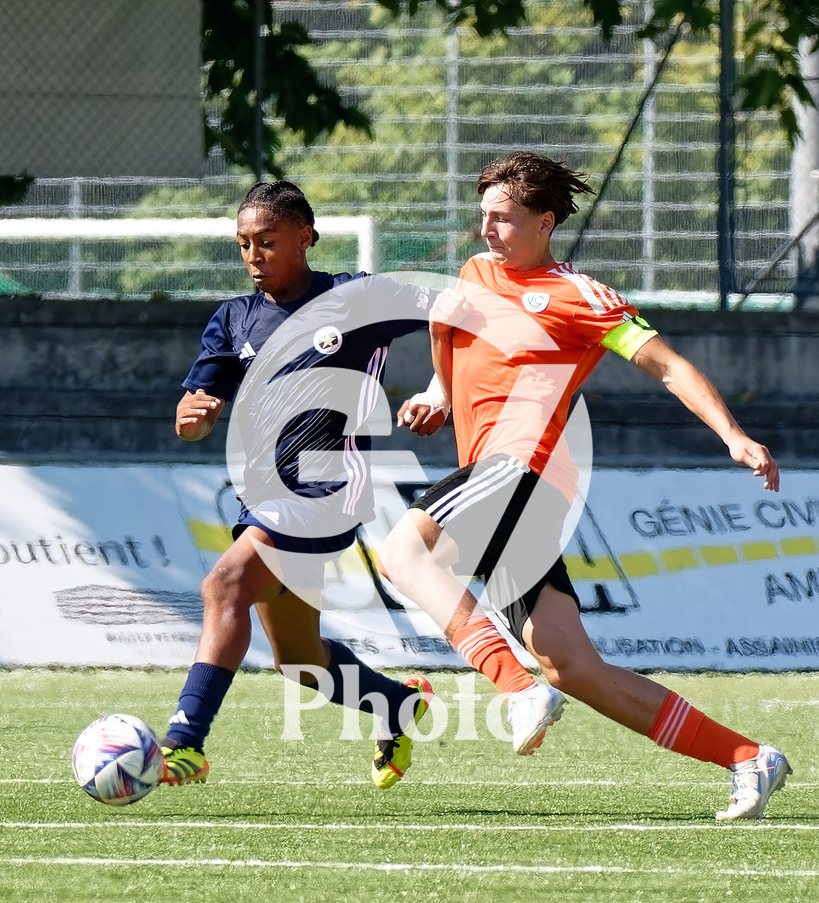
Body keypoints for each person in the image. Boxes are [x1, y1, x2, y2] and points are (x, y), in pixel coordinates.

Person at [379, 150, 792, 820]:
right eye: (483, 216)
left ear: (544, 222)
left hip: (519, 472)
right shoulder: (475, 272)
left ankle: (512, 686)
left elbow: (667, 366)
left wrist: (732, 435)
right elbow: (446, 329)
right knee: (571, 667)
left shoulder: (580, 297)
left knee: (403, 553)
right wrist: (438, 392)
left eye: (504, 219)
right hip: (496, 489)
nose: (488, 230)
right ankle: (748, 757)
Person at [160, 179, 434, 791]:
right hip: (266, 495)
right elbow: (193, 414)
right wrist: (192, 420)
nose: (254, 255)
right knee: (299, 661)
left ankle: (184, 743)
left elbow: (454, 315)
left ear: (305, 239)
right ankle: (395, 704)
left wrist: (441, 392)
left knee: (223, 583)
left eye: (267, 241)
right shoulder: (234, 318)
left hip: (325, 491)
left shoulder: (354, 299)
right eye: (243, 244)